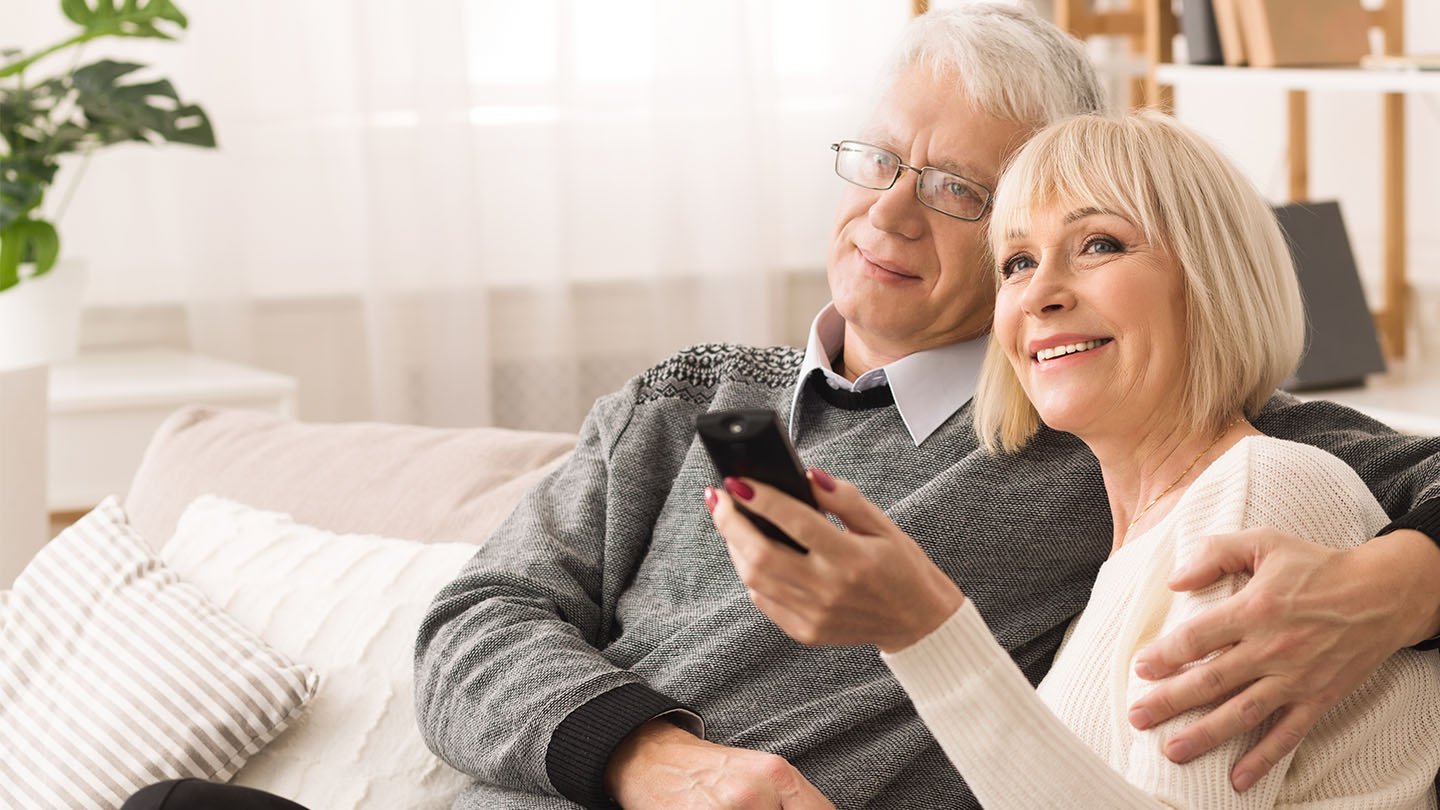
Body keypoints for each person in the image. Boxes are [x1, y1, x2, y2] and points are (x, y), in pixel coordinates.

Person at [122, 4, 1440, 810]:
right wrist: (656, 761)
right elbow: (479, 618)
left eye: (958, 190)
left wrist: (1402, 581)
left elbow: (1336, 475)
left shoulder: (1101, 426)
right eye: (875, 159)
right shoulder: (689, 396)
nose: (884, 209)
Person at [709, 111, 1440, 808]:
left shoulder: (1259, 490)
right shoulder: (1124, 555)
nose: (1040, 295)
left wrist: (922, 626)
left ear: (1214, 279)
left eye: (1099, 244)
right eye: (1018, 262)